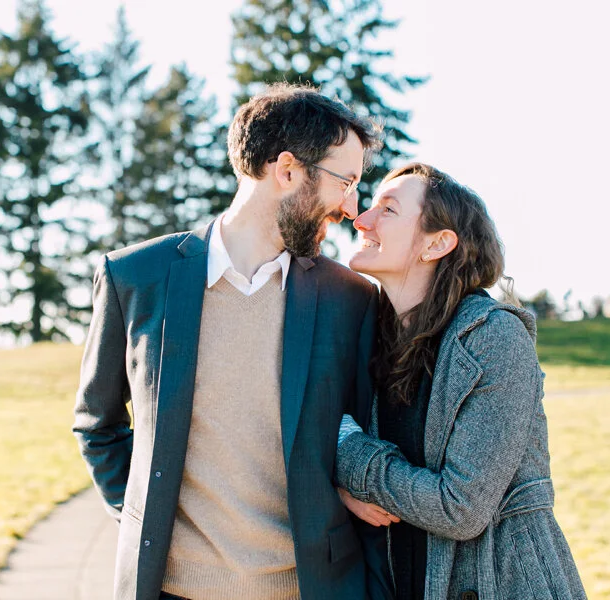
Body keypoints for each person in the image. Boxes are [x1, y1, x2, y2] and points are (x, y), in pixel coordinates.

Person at [73, 83, 389, 599]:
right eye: (346, 182)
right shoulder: (134, 278)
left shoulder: (350, 298)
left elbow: (363, 429)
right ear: (287, 171)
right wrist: (141, 520)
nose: (352, 208)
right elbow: (98, 425)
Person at [334, 163, 587, 600]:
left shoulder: (494, 337)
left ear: (437, 243)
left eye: (388, 210)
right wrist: (343, 486)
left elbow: (460, 508)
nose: (361, 220)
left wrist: (350, 455)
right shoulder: (370, 336)